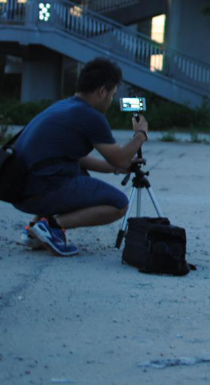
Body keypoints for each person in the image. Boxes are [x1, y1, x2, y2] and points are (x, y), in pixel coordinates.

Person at [13, 57, 149, 256]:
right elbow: (119, 158)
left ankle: (34, 231)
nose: (110, 100)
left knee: (77, 170)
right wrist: (141, 134)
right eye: (111, 95)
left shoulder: (62, 106)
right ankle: (52, 226)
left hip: (21, 190)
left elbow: (80, 159)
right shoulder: (90, 116)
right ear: (102, 91)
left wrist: (116, 167)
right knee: (118, 204)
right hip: (40, 189)